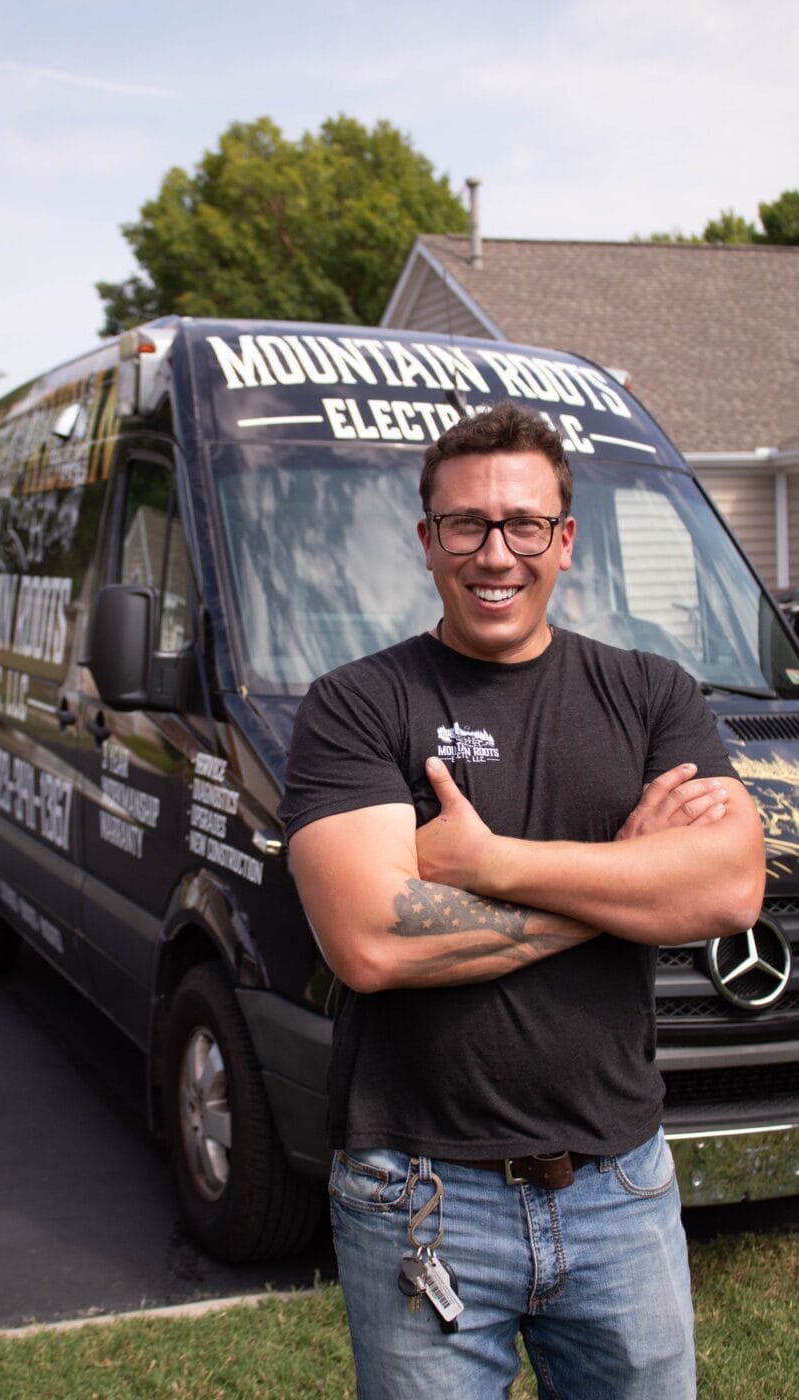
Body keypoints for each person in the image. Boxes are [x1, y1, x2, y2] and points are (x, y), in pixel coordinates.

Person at [279, 403, 765, 1399]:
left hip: (620, 1184)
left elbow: (727, 885)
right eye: (466, 524)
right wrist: (627, 883)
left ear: (565, 539)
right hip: (420, 1190)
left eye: (523, 524)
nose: (495, 552)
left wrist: (489, 862)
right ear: (427, 540)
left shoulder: (652, 694)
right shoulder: (358, 705)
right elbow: (371, 940)